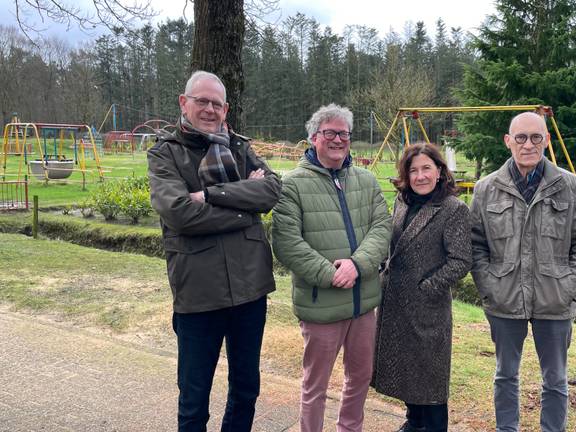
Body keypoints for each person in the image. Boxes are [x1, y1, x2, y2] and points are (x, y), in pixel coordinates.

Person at [147, 70, 281, 431]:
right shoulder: (166, 154)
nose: (209, 109)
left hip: (250, 290)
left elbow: (271, 190)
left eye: (216, 103)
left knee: (246, 390)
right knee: (194, 398)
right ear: (184, 103)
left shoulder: (238, 146)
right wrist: (245, 210)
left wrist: (209, 195)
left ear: (226, 108)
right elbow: (179, 213)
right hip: (199, 293)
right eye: (201, 101)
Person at [470, 111, 576, 432]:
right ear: (508, 141)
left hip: (555, 300)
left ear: (547, 140)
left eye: (536, 137)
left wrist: (572, 288)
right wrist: (489, 286)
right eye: (521, 137)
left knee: (556, 379)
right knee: (505, 374)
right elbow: (475, 243)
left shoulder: (570, 186)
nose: (528, 144)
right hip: (504, 299)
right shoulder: (486, 189)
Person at [271, 103, 391, 432]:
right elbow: (287, 243)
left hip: (363, 304)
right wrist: (332, 274)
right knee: (316, 385)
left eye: (344, 133)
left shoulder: (366, 181)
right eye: (330, 133)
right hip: (320, 305)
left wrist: (357, 264)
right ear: (313, 138)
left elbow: (382, 229)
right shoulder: (292, 185)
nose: (338, 139)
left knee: (360, 378)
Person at [372, 143, 472, 432]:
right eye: (413, 170)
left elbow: (461, 260)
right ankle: (412, 423)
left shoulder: (453, 209)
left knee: (430, 379)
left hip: (428, 307)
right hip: (394, 303)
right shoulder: (402, 202)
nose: (420, 176)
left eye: (426, 168)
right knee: (405, 371)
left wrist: (427, 287)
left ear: (440, 171)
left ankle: (433, 427)